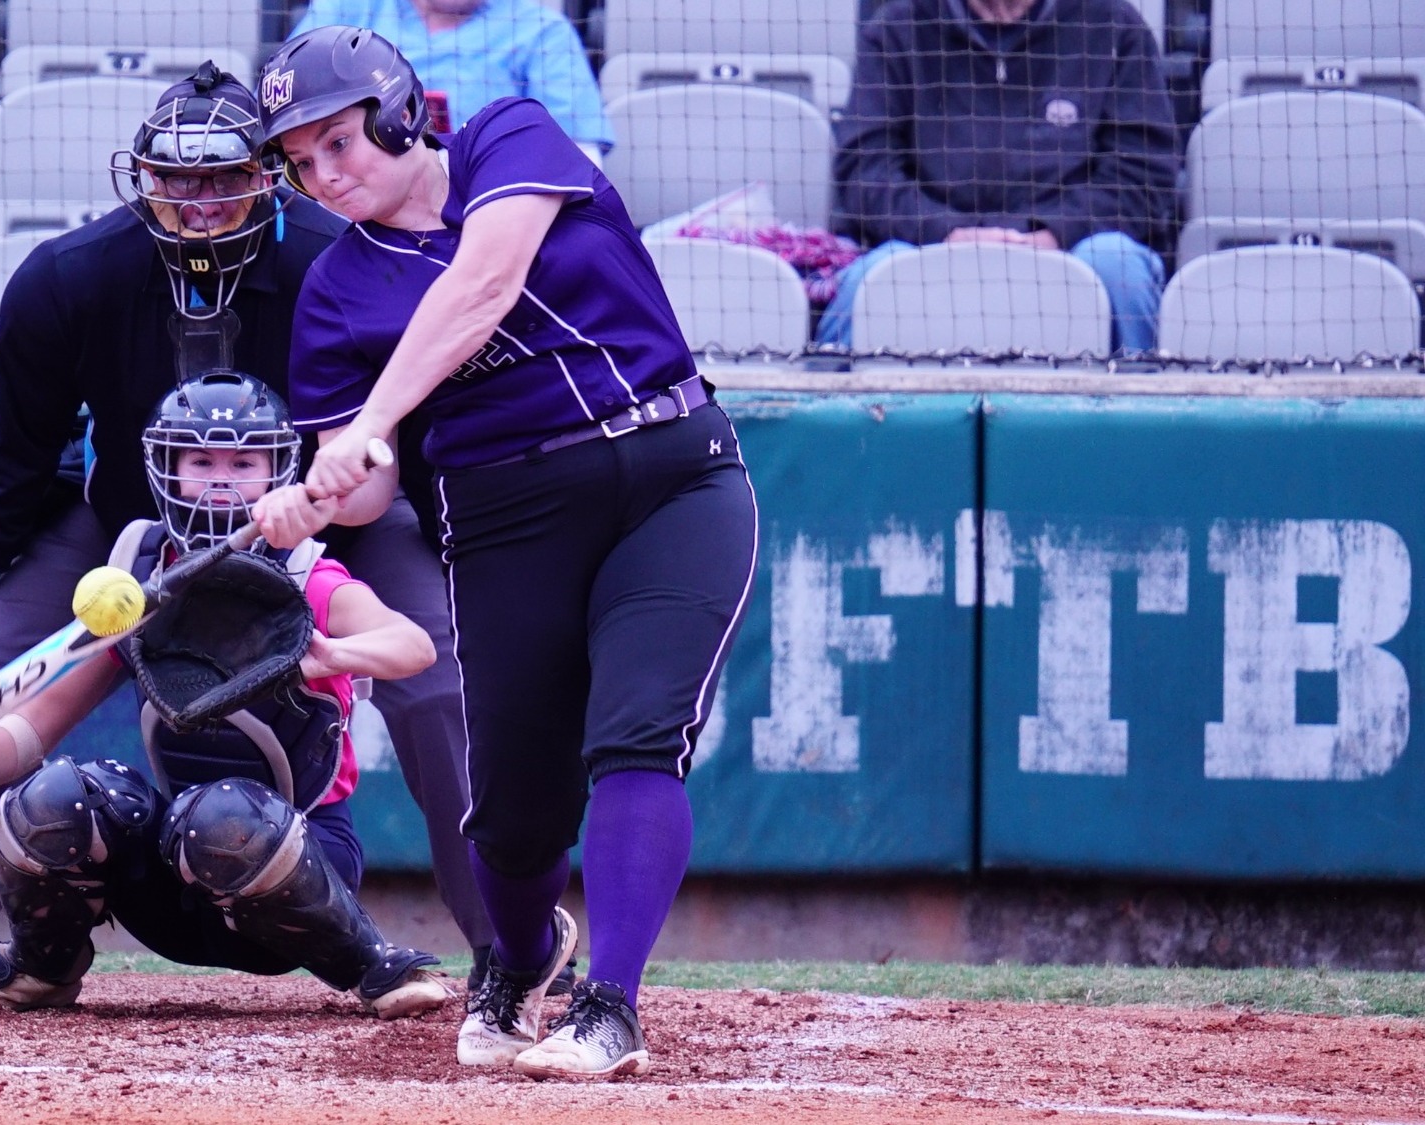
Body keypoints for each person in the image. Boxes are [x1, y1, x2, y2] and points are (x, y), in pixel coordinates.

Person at [0, 62, 504, 994]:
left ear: (266, 170)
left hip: (335, 516)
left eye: (221, 179)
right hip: (129, 528)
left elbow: (419, 430)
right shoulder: (67, 277)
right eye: (177, 181)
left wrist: (416, 545)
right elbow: (19, 442)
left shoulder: (342, 258)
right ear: (144, 178)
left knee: (441, 681)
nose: (199, 203)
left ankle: (507, 939)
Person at [249, 27, 757, 1081]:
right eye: (301, 162)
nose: (323, 176)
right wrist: (318, 497)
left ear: (398, 113)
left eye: (338, 143)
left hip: (672, 476)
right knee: (516, 814)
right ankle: (523, 957)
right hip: (502, 520)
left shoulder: (506, 140)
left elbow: (480, 284)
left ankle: (608, 1007)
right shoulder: (335, 290)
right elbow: (377, 482)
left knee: (635, 736)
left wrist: (372, 420)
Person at [0, 372, 451, 1020]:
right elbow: (40, 723)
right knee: (52, 797)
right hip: (180, 868)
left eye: (243, 462)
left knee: (224, 814)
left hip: (297, 869)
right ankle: (42, 967)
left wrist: (331, 656)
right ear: (168, 469)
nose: (221, 480)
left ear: (277, 471)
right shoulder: (144, 580)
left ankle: (367, 963)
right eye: (201, 461)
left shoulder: (308, 573)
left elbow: (414, 644)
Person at [817, 0, 1178, 354]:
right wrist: (947, 232)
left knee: (1116, 264)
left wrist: (1054, 233)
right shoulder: (897, 26)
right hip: (931, 247)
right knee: (873, 277)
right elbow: (865, 167)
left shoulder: (1112, 23)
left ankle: (1135, 406)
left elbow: (1143, 169)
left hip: (1072, 246)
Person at [290, 0, 612, 161]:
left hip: (488, 213)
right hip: (348, 203)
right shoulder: (350, 7)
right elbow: (286, 98)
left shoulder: (541, 28)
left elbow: (582, 159)